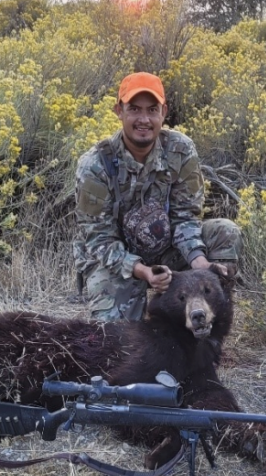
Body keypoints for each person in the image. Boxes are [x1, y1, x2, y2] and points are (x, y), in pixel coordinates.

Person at [73, 72, 242, 322]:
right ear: (119, 111)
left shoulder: (180, 149)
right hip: (116, 262)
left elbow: (186, 217)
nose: (144, 119)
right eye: (134, 109)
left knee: (225, 231)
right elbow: (99, 240)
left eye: (152, 110)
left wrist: (200, 265)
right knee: (117, 343)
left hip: (167, 249)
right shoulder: (94, 165)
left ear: (164, 112)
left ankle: (207, 322)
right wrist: (144, 272)